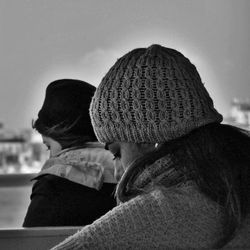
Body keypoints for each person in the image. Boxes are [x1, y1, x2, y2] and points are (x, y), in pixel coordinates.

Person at [51, 45, 250, 249]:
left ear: (148, 138)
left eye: (117, 153)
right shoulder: (234, 191)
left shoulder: (156, 213)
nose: (118, 172)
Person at [23, 79, 118, 227]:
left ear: (64, 136)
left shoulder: (52, 186)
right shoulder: (127, 177)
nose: (50, 157)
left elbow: (29, 243)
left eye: (49, 147)